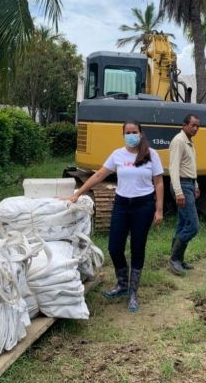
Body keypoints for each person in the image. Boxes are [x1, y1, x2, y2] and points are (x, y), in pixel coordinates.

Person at [67, 121, 164, 313]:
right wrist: (78, 193)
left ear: (141, 133)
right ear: (123, 135)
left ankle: (133, 293)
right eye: (127, 132)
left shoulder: (151, 154)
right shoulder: (118, 154)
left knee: (137, 247)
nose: (131, 135)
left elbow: (159, 182)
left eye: (134, 132)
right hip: (121, 204)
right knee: (114, 247)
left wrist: (159, 210)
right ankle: (121, 284)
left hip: (143, 206)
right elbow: (99, 175)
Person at [169, 114, 200, 276]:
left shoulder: (189, 142)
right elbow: (173, 168)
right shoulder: (179, 141)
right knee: (193, 226)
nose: (195, 128)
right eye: (192, 125)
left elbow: (190, 166)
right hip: (181, 185)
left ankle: (178, 258)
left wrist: (196, 184)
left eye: (197, 126)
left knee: (183, 223)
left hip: (189, 184)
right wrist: (179, 192)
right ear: (184, 125)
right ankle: (174, 259)